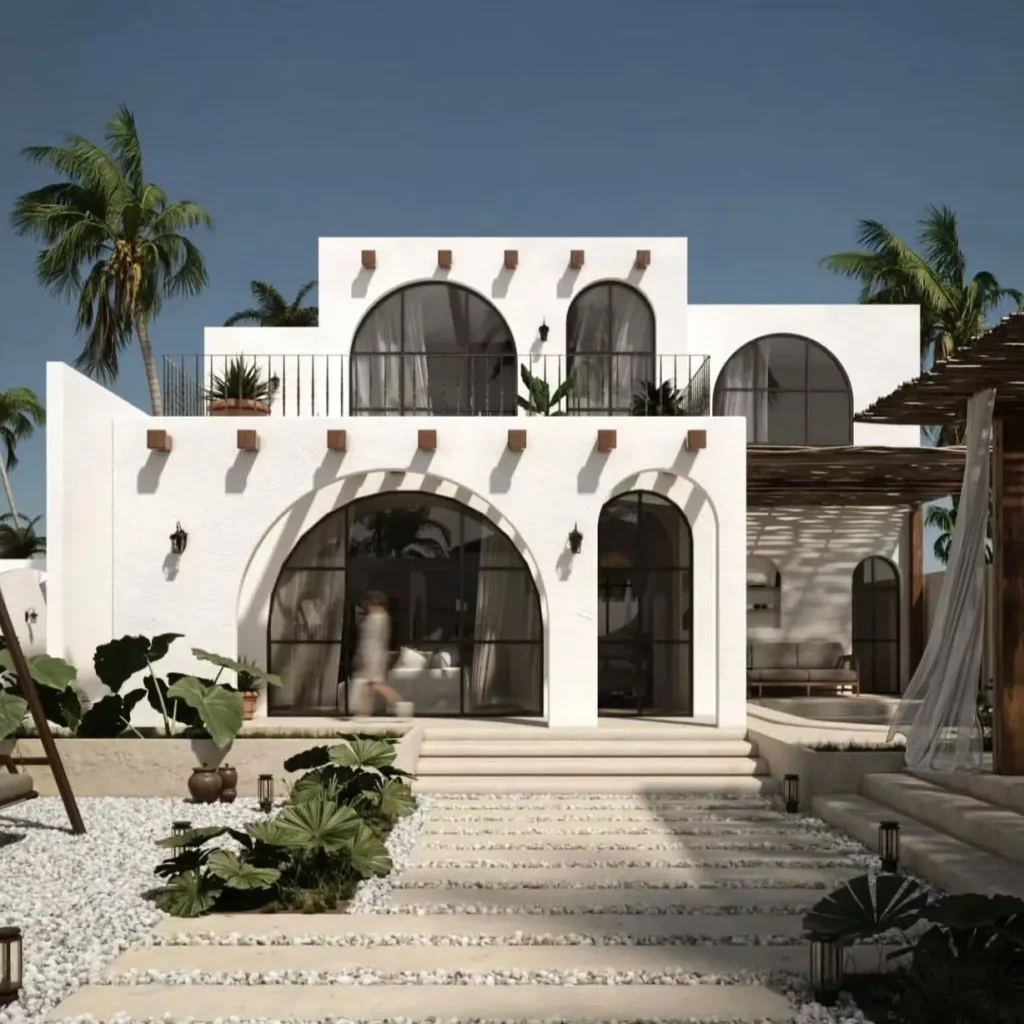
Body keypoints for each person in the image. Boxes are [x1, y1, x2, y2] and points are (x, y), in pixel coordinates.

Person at [353, 591, 402, 715]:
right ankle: (363, 712)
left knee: (375, 684)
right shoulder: (377, 617)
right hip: (372, 654)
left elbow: (373, 639)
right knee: (369, 685)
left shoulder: (378, 617)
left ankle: (399, 703)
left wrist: (363, 656)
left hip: (373, 655)